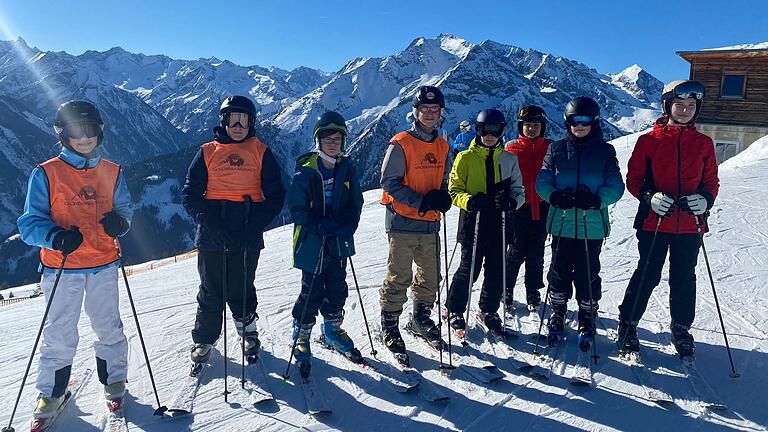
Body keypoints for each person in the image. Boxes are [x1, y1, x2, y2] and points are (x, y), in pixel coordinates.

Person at [18, 100, 132, 421]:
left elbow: (124, 210)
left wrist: (120, 223)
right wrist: (54, 236)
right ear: (62, 134)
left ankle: (114, 381)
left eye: (90, 132)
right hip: (61, 267)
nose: (84, 138)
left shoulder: (113, 172)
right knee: (59, 331)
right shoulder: (46, 173)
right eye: (75, 132)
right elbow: (29, 223)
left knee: (108, 325)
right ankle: (52, 393)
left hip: (103, 264)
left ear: (100, 133)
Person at [616, 80, 718, 361]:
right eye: (679, 105)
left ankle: (682, 328)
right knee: (647, 273)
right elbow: (634, 179)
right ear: (666, 106)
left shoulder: (704, 144)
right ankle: (628, 324)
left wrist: (706, 200)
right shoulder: (649, 141)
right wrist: (649, 197)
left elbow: (711, 181)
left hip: (689, 223)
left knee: (684, 277)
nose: (685, 110)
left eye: (690, 106)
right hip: (654, 221)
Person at [181, 95, 286, 364]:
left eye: (244, 120)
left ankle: (248, 333)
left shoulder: (260, 151)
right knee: (211, 287)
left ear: (252, 123)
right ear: (223, 121)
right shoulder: (207, 151)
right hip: (212, 232)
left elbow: (276, 194)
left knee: (242, 285)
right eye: (233, 120)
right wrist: (209, 221)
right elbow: (190, 194)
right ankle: (204, 338)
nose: (238, 126)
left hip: (246, 230)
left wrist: (255, 225)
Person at [536, 96, 624, 350]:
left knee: (587, 273)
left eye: (585, 120)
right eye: (575, 120)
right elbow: (542, 181)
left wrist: (597, 200)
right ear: (567, 122)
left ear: (594, 122)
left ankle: (587, 313)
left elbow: (617, 186)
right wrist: (553, 196)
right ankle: (558, 311)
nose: (580, 125)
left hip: (591, 224)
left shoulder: (605, 152)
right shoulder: (556, 149)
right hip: (562, 223)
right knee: (559, 271)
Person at [379, 85, 452, 365]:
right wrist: (421, 201)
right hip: (402, 222)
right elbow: (389, 182)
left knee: (430, 276)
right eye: (425, 109)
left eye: (435, 110)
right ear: (416, 111)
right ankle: (390, 325)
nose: (430, 114)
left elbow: (444, 180)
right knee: (399, 277)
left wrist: (442, 197)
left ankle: (420, 319)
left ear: (441, 113)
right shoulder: (401, 143)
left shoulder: (443, 146)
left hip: (430, 224)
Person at [287, 111, 364, 375]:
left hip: (338, 240)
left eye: (337, 138)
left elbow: (356, 202)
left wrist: (348, 226)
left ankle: (331, 329)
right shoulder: (306, 171)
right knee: (311, 291)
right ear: (318, 140)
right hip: (312, 241)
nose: (333, 143)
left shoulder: (347, 168)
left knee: (337, 286)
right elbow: (296, 208)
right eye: (327, 138)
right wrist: (317, 224)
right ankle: (301, 335)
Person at [446, 109, 525, 335]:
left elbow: (519, 191)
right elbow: (454, 190)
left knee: (495, 269)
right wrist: (470, 201)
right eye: (484, 131)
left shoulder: (509, 159)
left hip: (500, 221)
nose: (489, 136)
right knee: (468, 269)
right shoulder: (465, 158)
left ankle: (489, 309)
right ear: (477, 131)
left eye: (495, 131)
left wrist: (512, 203)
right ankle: (455, 309)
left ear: (501, 132)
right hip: (474, 220)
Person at [504, 105, 551, 312]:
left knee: (536, 252)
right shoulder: (511, 147)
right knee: (515, 251)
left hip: (542, 206)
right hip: (518, 207)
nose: (531, 129)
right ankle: (506, 288)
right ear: (520, 127)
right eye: (527, 125)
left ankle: (533, 289)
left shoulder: (551, 147)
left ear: (542, 127)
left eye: (536, 125)